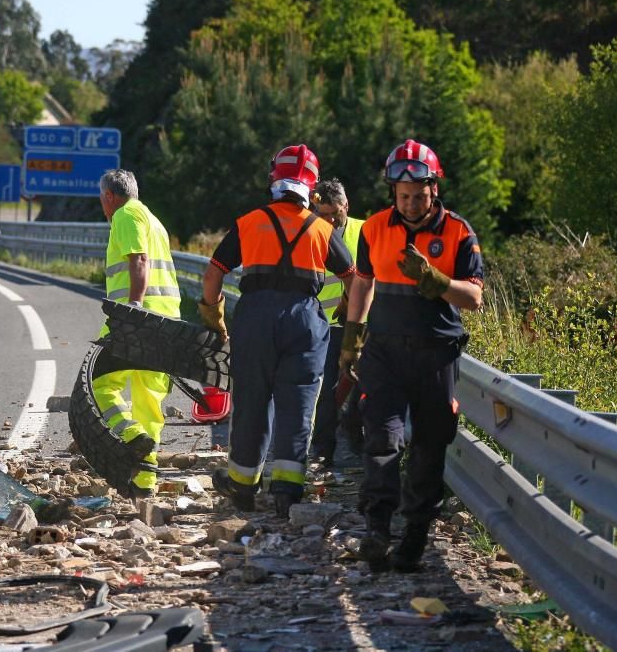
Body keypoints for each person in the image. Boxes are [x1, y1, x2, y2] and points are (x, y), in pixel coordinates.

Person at [340, 139, 483, 572]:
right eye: (402, 196)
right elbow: (363, 284)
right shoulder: (374, 229)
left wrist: (437, 280)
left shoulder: (459, 232)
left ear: (433, 190)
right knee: (381, 437)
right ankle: (377, 528)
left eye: (418, 196)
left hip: (436, 353)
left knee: (428, 445)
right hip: (384, 350)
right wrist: (352, 339)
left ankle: (415, 536)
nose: (410, 204)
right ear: (392, 193)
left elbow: (474, 298)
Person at [199, 145, 355, 516]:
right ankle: (286, 490)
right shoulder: (322, 228)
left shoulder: (249, 222)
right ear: (311, 188)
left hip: (254, 318)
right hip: (305, 322)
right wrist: (352, 319)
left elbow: (213, 274)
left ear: (274, 180)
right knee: (298, 403)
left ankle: (242, 486)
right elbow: (356, 278)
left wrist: (214, 316)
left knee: (252, 399)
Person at [92, 169, 181, 497]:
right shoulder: (153, 219)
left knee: (99, 384)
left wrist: (132, 308)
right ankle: (144, 482)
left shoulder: (125, 215)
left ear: (109, 197)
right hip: (166, 322)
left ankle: (130, 436)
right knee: (149, 402)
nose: (102, 206)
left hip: (134, 319)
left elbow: (139, 261)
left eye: (102, 199)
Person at [308, 179, 364, 466]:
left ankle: (356, 437)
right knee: (326, 391)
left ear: (346, 206)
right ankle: (323, 451)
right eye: (322, 213)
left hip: (361, 325)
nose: (329, 219)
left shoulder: (364, 231)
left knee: (362, 388)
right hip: (324, 326)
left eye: (335, 213)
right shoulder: (308, 233)